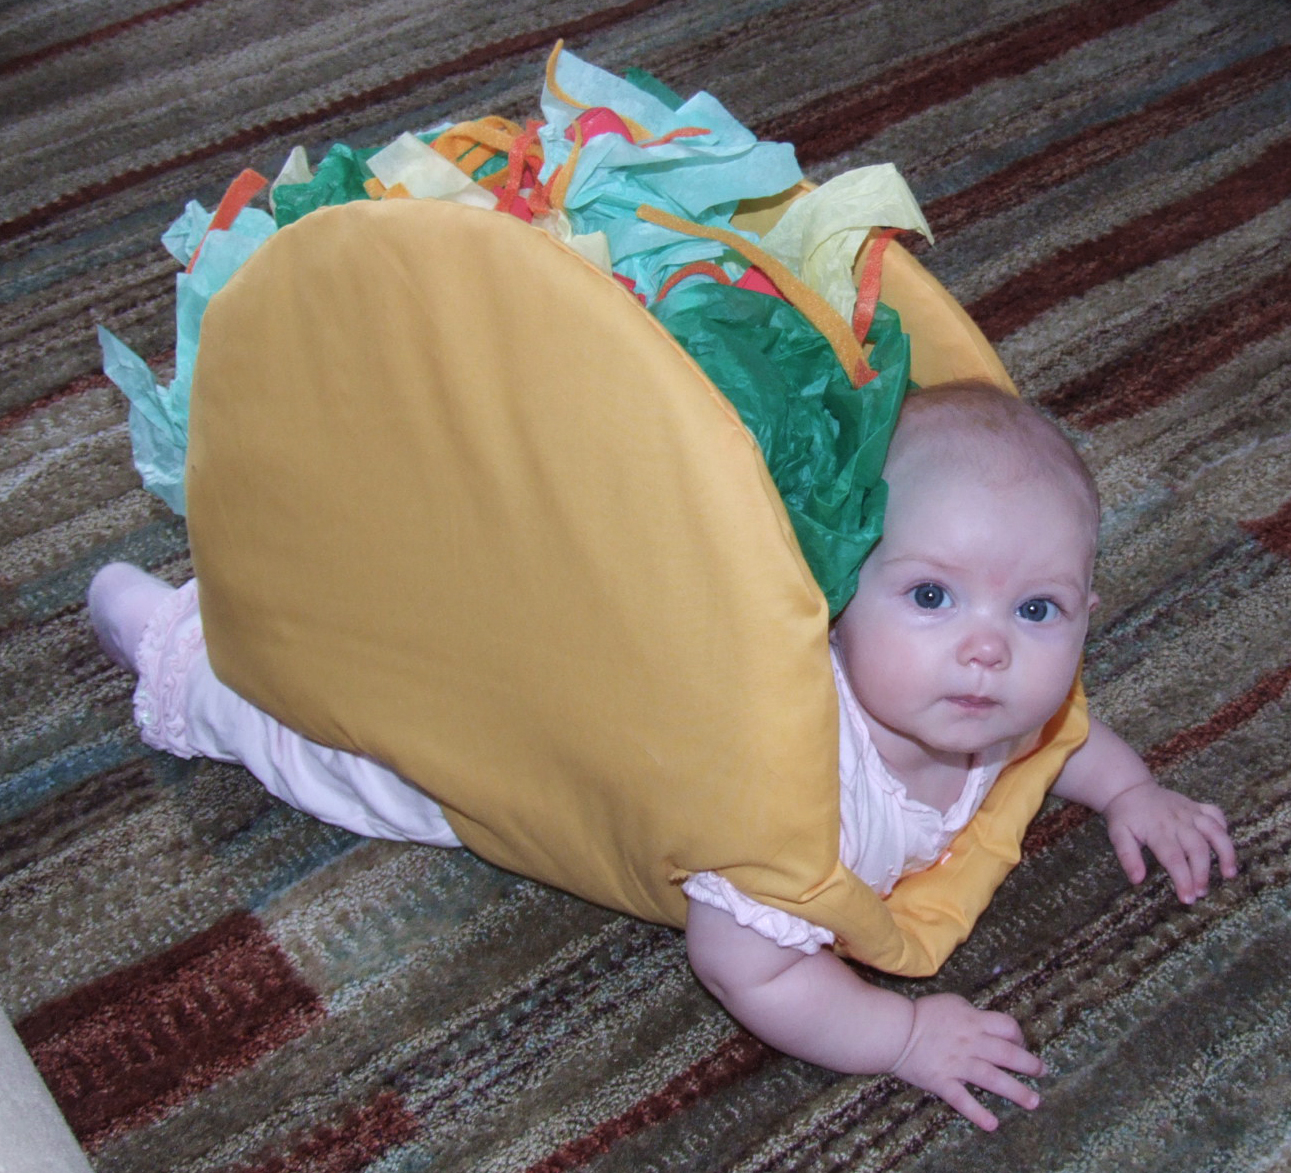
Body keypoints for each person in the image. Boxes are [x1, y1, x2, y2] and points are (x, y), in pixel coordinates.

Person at [87, 380, 1237, 1133]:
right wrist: (898, 1032)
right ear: (837, 590)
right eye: (930, 594)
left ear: (1088, 610)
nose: (986, 650)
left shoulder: (996, 703)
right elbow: (748, 968)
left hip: (604, 650)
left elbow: (1054, 742)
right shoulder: (788, 792)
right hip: (542, 736)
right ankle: (177, 641)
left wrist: (1132, 788)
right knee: (379, 752)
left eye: (1037, 612)